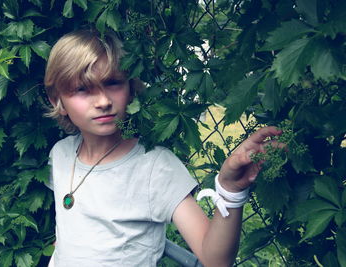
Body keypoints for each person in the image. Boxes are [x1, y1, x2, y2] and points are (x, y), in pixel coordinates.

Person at [44, 28, 282, 267]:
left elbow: (215, 261)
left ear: (130, 89)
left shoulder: (155, 167)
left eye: (113, 83)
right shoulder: (61, 154)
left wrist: (230, 191)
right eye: (83, 89)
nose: (103, 101)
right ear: (58, 102)